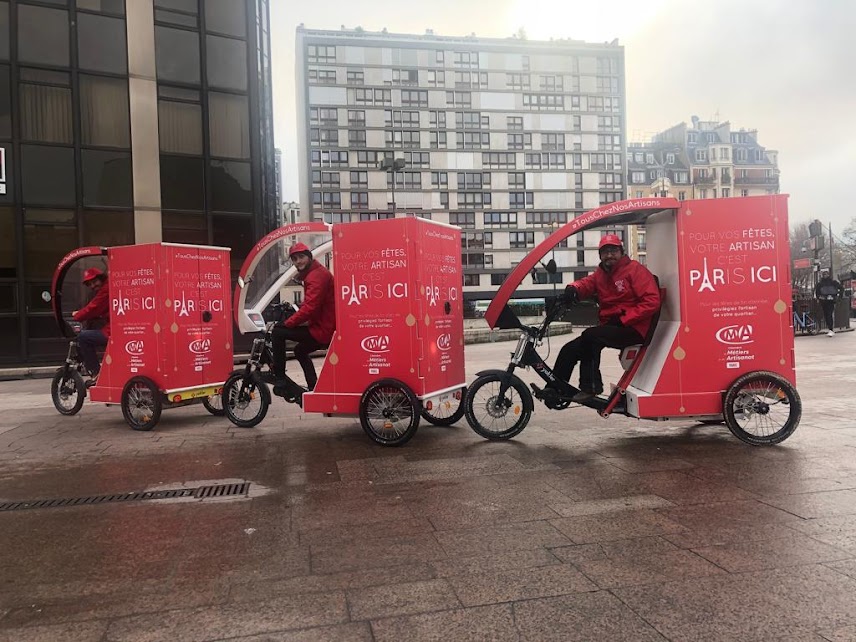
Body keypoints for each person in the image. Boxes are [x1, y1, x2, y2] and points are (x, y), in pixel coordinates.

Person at [553, 234, 661, 402]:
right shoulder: (601, 274)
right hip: (615, 325)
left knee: (591, 336)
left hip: (634, 328)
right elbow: (587, 284)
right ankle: (554, 389)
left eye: (613, 251)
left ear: (621, 252)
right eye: (605, 252)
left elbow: (652, 301)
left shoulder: (635, 270)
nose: (609, 255)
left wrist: (625, 319)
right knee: (569, 349)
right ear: (600, 255)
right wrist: (573, 289)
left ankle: (591, 387)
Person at [269, 242, 335, 394]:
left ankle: (280, 380)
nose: (298, 261)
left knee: (278, 332)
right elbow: (312, 305)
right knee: (300, 351)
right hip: (322, 326)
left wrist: (288, 322)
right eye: (294, 259)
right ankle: (314, 387)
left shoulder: (316, 276)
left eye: (301, 257)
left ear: (309, 257)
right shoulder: (313, 273)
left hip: (323, 330)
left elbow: (310, 308)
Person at [72, 268, 110, 386]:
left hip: (113, 331)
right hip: (114, 327)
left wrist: (77, 315)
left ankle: (96, 374)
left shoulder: (106, 289)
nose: (92, 286)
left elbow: (94, 307)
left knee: (84, 337)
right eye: (89, 284)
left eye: (94, 282)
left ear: (101, 278)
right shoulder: (107, 287)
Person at [815, 269, 843, 337]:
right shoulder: (820, 284)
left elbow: (841, 288)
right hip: (824, 301)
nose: (825, 275)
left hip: (830, 301)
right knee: (826, 315)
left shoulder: (832, 282)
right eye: (824, 274)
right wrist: (819, 298)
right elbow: (817, 292)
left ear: (828, 275)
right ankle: (830, 329)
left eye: (826, 274)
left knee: (829, 314)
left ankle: (831, 329)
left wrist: (839, 297)